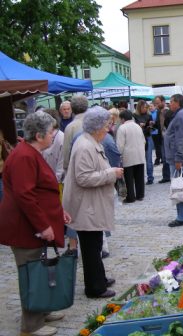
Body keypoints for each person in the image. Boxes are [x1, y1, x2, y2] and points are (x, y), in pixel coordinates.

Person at [0, 111, 71, 336]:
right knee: (31, 273)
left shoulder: (31, 152)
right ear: (39, 135)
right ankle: (31, 326)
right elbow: (25, 196)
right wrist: (43, 225)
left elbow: (40, 190)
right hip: (25, 227)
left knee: (38, 269)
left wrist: (58, 213)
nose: (53, 135)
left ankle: (42, 309)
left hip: (32, 225)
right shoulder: (24, 156)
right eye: (51, 132)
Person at [63, 106, 123, 299]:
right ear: (96, 126)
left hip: (90, 204)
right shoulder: (85, 145)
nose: (108, 128)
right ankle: (95, 287)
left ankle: (100, 278)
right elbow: (83, 178)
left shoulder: (89, 142)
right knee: (90, 248)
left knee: (95, 244)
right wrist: (110, 174)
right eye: (106, 125)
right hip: (85, 206)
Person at [62, 95, 89, 257]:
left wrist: (65, 170)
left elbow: (66, 154)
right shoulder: (92, 122)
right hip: (91, 170)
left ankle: (73, 245)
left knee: (73, 208)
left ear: (72, 108)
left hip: (75, 172)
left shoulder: (71, 127)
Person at [164, 94, 183, 227]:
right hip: (181, 157)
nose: (169, 104)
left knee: (179, 186)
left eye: (171, 102)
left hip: (179, 158)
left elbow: (181, 139)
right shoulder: (182, 114)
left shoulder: (181, 116)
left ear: (177, 103)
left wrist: (178, 158)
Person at [117, 110, 146, 203]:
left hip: (128, 155)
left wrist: (119, 155)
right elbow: (143, 140)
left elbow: (120, 145)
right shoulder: (138, 126)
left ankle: (131, 197)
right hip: (140, 154)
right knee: (139, 176)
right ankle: (140, 195)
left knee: (129, 178)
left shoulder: (122, 128)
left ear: (122, 118)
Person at [133, 100, 154, 185]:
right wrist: (139, 125)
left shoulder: (149, 115)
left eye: (146, 107)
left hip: (147, 136)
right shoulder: (134, 115)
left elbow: (151, 127)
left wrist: (151, 124)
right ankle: (139, 178)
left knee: (148, 159)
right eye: (144, 107)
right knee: (139, 159)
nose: (145, 109)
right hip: (138, 138)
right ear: (139, 107)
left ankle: (150, 178)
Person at [42, 109, 65, 185]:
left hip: (56, 183)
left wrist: (54, 182)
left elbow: (61, 165)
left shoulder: (60, 137)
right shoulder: (46, 136)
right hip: (48, 181)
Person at [154, 95, 172, 183]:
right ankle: (166, 176)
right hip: (161, 138)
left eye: (158, 103)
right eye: (155, 103)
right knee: (164, 158)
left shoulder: (168, 112)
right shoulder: (158, 112)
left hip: (168, 138)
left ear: (163, 102)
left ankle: (168, 176)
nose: (156, 104)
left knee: (167, 157)